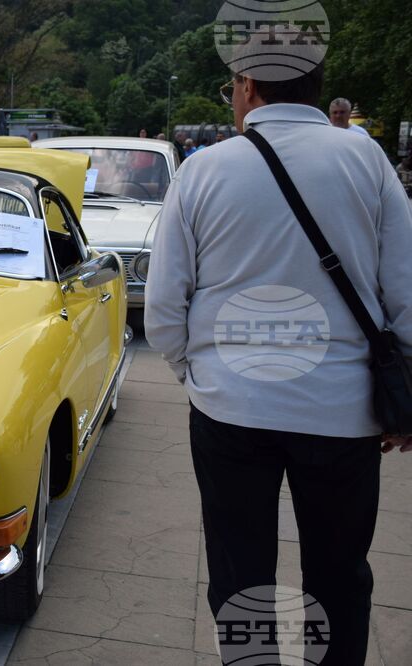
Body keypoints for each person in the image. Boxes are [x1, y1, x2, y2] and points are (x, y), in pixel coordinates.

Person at [145, 62, 412, 665]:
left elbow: (163, 304)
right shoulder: (366, 161)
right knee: (340, 573)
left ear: (246, 86)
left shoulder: (202, 169)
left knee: (240, 572)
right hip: (344, 412)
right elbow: (405, 287)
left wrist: (196, 372)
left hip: (230, 409)